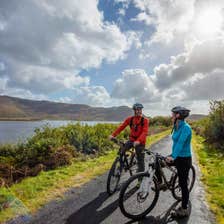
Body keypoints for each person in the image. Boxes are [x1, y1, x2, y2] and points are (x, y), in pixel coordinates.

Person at [109, 103, 149, 176]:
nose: (138, 111)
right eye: (136, 110)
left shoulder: (145, 120)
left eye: (139, 110)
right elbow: (121, 127)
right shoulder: (130, 119)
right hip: (131, 140)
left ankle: (140, 178)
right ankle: (120, 168)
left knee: (140, 161)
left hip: (140, 142)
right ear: (134, 111)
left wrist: (138, 141)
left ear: (141, 110)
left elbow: (144, 132)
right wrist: (113, 135)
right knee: (121, 151)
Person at [166, 106, 192, 218]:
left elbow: (180, 143)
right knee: (158, 163)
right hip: (176, 156)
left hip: (184, 159)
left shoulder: (186, 128)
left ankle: (184, 209)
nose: (171, 116)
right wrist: (172, 156)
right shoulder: (176, 126)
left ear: (178, 115)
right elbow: (175, 143)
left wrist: (173, 157)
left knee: (183, 184)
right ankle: (163, 184)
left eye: (172, 114)